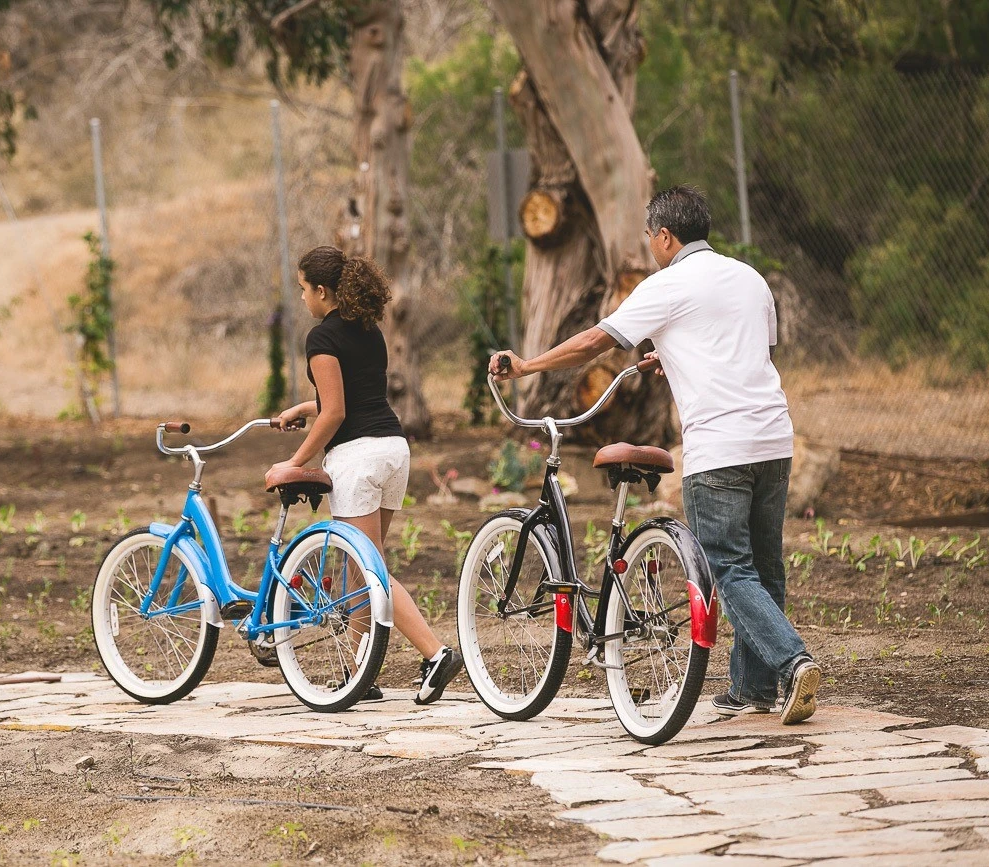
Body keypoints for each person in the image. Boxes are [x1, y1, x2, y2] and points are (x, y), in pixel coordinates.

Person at [488, 185, 820, 725]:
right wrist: (679, 356)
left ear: (665, 236)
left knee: (728, 568)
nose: (648, 247)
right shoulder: (750, 278)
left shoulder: (666, 285)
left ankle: (793, 661)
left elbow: (595, 342)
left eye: (649, 237)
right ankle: (754, 688)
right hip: (774, 439)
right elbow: (746, 351)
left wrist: (527, 366)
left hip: (720, 447)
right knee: (765, 565)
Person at [267, 245, 463, 705]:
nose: (301, 300)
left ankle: (436, 654)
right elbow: (356, 398)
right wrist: (304, 406)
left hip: (358, 459)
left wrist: (295, 463)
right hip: (393, 451)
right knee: (360, 569)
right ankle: (360, 673)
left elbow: (335, 414)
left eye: (303, 291)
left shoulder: (321, 339)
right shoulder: (368, 330)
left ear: (322, 291)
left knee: (371, 570)